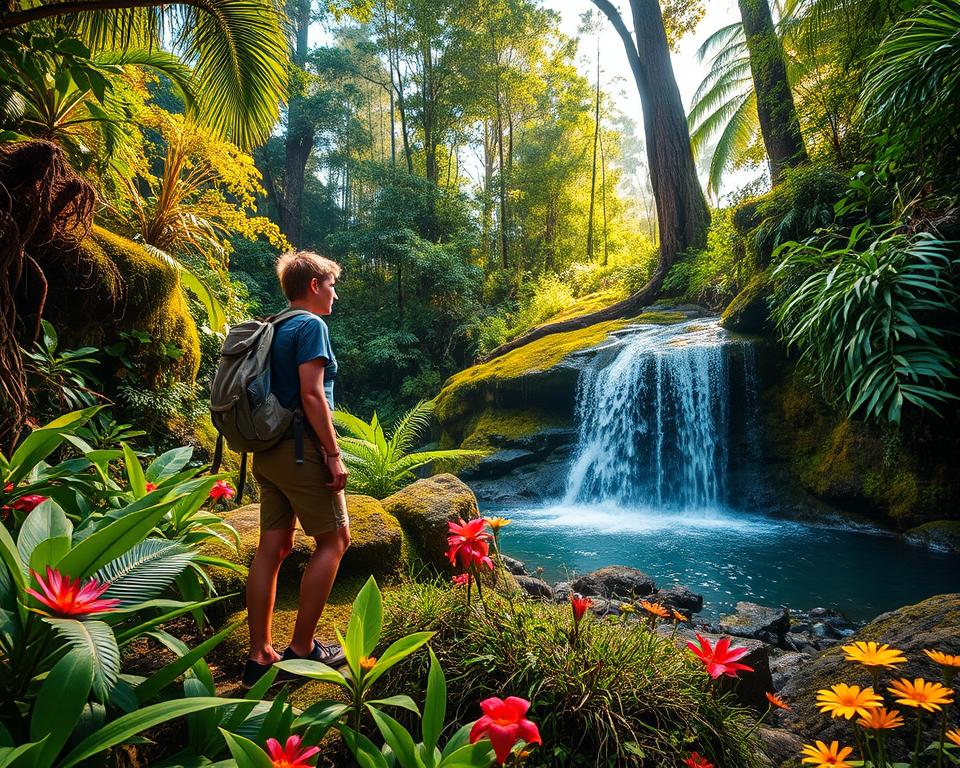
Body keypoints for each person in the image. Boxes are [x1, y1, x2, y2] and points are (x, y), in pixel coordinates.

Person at [242, 250, 351, 689]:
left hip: (266, 453)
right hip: (300, 450)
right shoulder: (311, 326)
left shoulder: (273, 325)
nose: (334, 294)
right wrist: (333, 452)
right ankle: (303, 649)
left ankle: (258, 659)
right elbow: (312, 395)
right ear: (313, 286)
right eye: (331, 285)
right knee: (335, 540)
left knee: (273, 548)